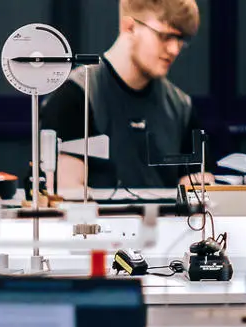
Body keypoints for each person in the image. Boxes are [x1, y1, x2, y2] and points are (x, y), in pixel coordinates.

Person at [41, 0, 208, 192]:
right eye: (165, 36)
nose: (174, 49)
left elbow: (198, 186)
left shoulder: (181, 107)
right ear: (129, 27)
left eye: (181, 39)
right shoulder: (76, 96)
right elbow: (67, 191)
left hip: (168, 221)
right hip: (98, 222)